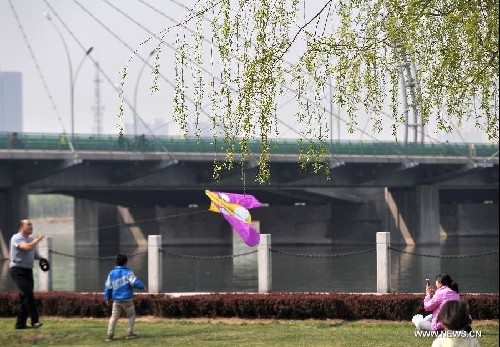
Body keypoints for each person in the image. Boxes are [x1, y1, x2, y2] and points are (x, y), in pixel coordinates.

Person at [9, 219, 47, 329]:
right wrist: (38, 240)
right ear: (21, 227)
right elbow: (26, 248)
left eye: (32, 225)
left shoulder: (30, 239)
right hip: (17, 270)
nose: (31, 226)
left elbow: (34, 254)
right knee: (28, 295)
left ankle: (20, 324)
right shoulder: (16, 238)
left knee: (24, 296)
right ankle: (35, 321)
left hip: (28, 270)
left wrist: (43, 259)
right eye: (28, 225)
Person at [104, 254, 145, 342]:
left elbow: (108, 287)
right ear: (126, 262)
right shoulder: (128, 272)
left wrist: (107, 298)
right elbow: (135, 282)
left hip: (116, 301)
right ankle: (130, 333)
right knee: (131, 315)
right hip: (128, 300)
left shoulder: (111, 273)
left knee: (114, 317)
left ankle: (110, 335)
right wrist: (142, 286)